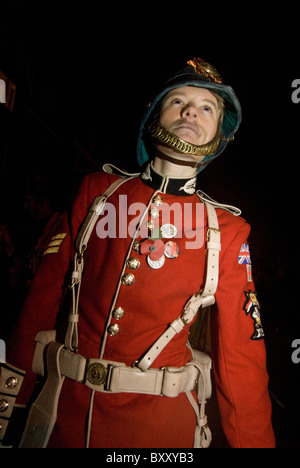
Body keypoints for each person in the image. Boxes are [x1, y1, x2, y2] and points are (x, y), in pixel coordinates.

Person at [3, 58, 275, 448]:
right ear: (154, 115)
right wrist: (8, 401)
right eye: (177, 100)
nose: (190, 112)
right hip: (62, 420)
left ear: (220, 133)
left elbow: (241, 361)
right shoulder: (98, 193)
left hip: (160, 433)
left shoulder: (228, 231)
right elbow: (39, 302)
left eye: (207, 108)